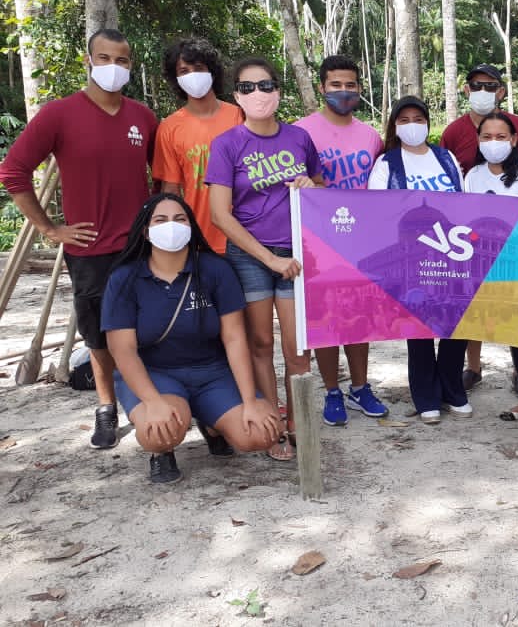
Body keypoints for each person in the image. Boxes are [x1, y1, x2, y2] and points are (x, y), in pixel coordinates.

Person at [0, 28, 157, 449]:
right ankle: (106, 408)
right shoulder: (59, 114)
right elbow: (13, 172)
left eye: (122, 60)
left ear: (130, 65)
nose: (113, 67)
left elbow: (160, 178)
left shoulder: (143, 118)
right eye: (104, 58)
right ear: (88, 62)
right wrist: (50, 229)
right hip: (89, 250)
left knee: (148, 329)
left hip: (143, 246)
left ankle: (153, 403)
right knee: (98, 335)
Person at [101, 194, 283, 483]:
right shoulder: (124, 278)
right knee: (157, 433)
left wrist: (250, 400)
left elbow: (235, 339)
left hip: (213, 373)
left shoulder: (215, 269)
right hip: (157, 375)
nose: (171, 226)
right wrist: (153, 401)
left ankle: (212, 424)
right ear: (146, 232)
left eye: (180, 219)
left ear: (191, 226)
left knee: (262, 433)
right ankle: (162, 453)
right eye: (160, 220)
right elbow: (122, 351)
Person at [206, 57, 320, 461]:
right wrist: (268, 259)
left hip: (296, 257)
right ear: (236, 95)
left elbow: (321, 190)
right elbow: (221, 214)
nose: (259, 94)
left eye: (266, 86)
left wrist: (310, 185)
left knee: (297, 350)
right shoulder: (227, 145)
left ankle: (298, 424)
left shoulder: (300, 138)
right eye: (248, 87)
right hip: (250, 258)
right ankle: (271, 422)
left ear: (278, 91)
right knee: (259, 343)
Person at [440, 63, 518, 391]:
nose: (482, 91)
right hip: (475, 235)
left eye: (490, 85)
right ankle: (473, 367)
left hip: (517, 240)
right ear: (465, 89)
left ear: (501, 91)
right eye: (476, 84)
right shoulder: (454, 132)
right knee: (473, 306)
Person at [295, 55, 388, 425]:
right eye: (336, 85)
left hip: (361, 239)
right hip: (318, 240)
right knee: (326, 318)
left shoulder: (371, 135)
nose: (343, 91)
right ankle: (332, 390)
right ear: (322, 87)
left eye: (350, 85)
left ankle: (360, 387)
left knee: (359, 317)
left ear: (360, 88)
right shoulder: (301, 131)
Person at [369, 95, 471, 424]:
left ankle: (452, 388)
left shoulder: (446, 157)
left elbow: (464, 201)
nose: (412, 125)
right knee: (420, 324)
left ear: (428, 122)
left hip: (450, 249)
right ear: (394, 126)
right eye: (404, 120)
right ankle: (425, 396)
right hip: (413, 255)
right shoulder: (387, 163)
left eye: (418, 118)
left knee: (456, 322)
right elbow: (376, 210)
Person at [463, 111, 518, 435]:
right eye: (487, 137)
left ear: (514, 140)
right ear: (478, 141)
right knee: (514, 334)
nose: (494, 143)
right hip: (490, 267)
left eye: (501, 137)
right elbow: (468, 222)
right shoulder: (472, 176)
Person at [153, 37, 242, 254]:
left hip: (244, 238)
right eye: (184, 71)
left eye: (199, 68)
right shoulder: (169, 128)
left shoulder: (240, 116)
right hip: (199, 239)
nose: (192, 75)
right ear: (176, 78)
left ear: (211, 71)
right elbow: (171, 190)